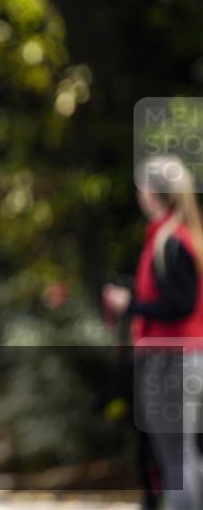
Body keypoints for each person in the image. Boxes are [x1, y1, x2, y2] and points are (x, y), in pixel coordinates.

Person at [102, 155, 203, 510]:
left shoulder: (170, 243)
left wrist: (129, 304)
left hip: (171, 359)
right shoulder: (178, 236)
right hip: (180, 357)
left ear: (153, 192)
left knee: (175, 457)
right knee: (182, 455)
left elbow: (181, 305)